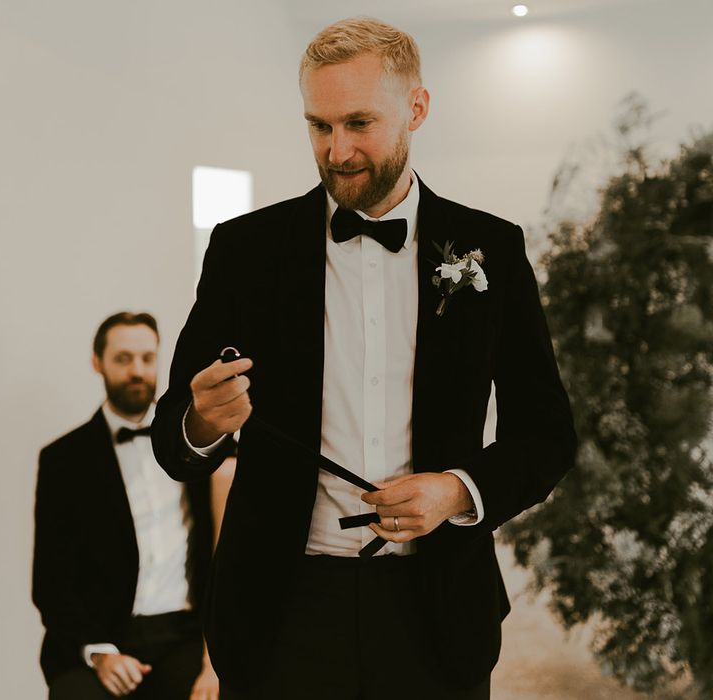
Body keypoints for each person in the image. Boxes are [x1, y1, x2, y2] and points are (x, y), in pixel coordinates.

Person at [151, 17, 577, 700]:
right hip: (279, 613)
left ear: (417, 108)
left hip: (435, 609)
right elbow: (176, 436)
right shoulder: (246, 251)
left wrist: (458, 491)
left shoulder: (489, 248)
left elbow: (548, 431)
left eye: (358, 123)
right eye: (318, 126)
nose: (337, 150)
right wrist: (202, 422)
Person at [33, 312, 233, 700]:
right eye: (123, 359)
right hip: (104, 638)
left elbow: (228, 554)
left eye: (146, 358)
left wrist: (213, 662)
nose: (137, 370)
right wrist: (100, 653)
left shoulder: (196, 447)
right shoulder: (63, 460)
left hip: (185, 638)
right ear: (98, 363)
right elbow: (51, 581)